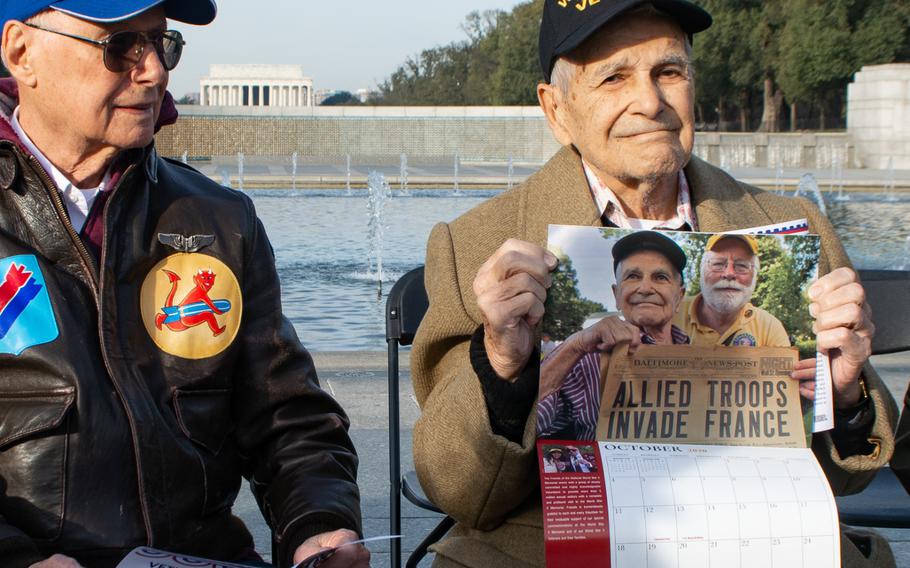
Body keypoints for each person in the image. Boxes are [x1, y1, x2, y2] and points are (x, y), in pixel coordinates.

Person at [410, 2, 899, 567]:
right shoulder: (475, 245)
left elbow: (847, 478)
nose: (649, 101)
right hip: (553, 549)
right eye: (613, 77)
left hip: (760, 545)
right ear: (557, 109)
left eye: (668, 72)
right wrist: (501, 365)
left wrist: (843, 392)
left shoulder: (792, 226)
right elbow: (460, 489)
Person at [0, 2, 368, 568]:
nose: (154, 71)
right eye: (120, 45)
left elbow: (286, 419)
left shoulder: (219, 220)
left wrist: (318, 525)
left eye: (161, 43)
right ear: (22, 52)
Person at [537, 231, 690, 440]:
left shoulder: (703, 354)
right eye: (633, 276)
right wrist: (576, 345)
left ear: (679, 297)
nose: (645, 288)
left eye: (660, 277)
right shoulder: (586, 361)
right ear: (616, 295)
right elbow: (526, 426)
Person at [675, 234, 789, 347]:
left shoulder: (769, 327)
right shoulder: (671, 313)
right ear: (701, 271)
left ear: (755, 276)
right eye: (718, 264)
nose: (729, 274)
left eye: (742, 266)